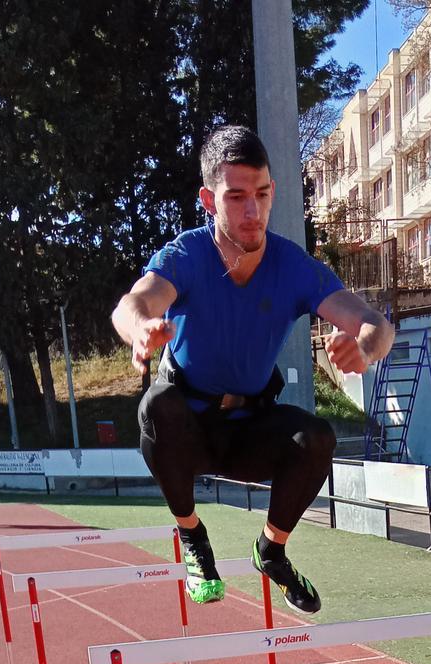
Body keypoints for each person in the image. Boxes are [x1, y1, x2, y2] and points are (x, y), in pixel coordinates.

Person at [111, 125, 393, 614]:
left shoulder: (293, 266)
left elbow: (374, 322)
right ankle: (192, 537)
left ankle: (272, 551)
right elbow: (133, 302)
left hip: (249, 428)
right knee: (158, 406)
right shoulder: (187, 255)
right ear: (208, 199)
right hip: (188, 428)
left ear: (272, 192)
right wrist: (140, 329)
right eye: (236, 196)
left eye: (261, 195)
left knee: (316, 438)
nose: (251, 211)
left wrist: (366, 346)